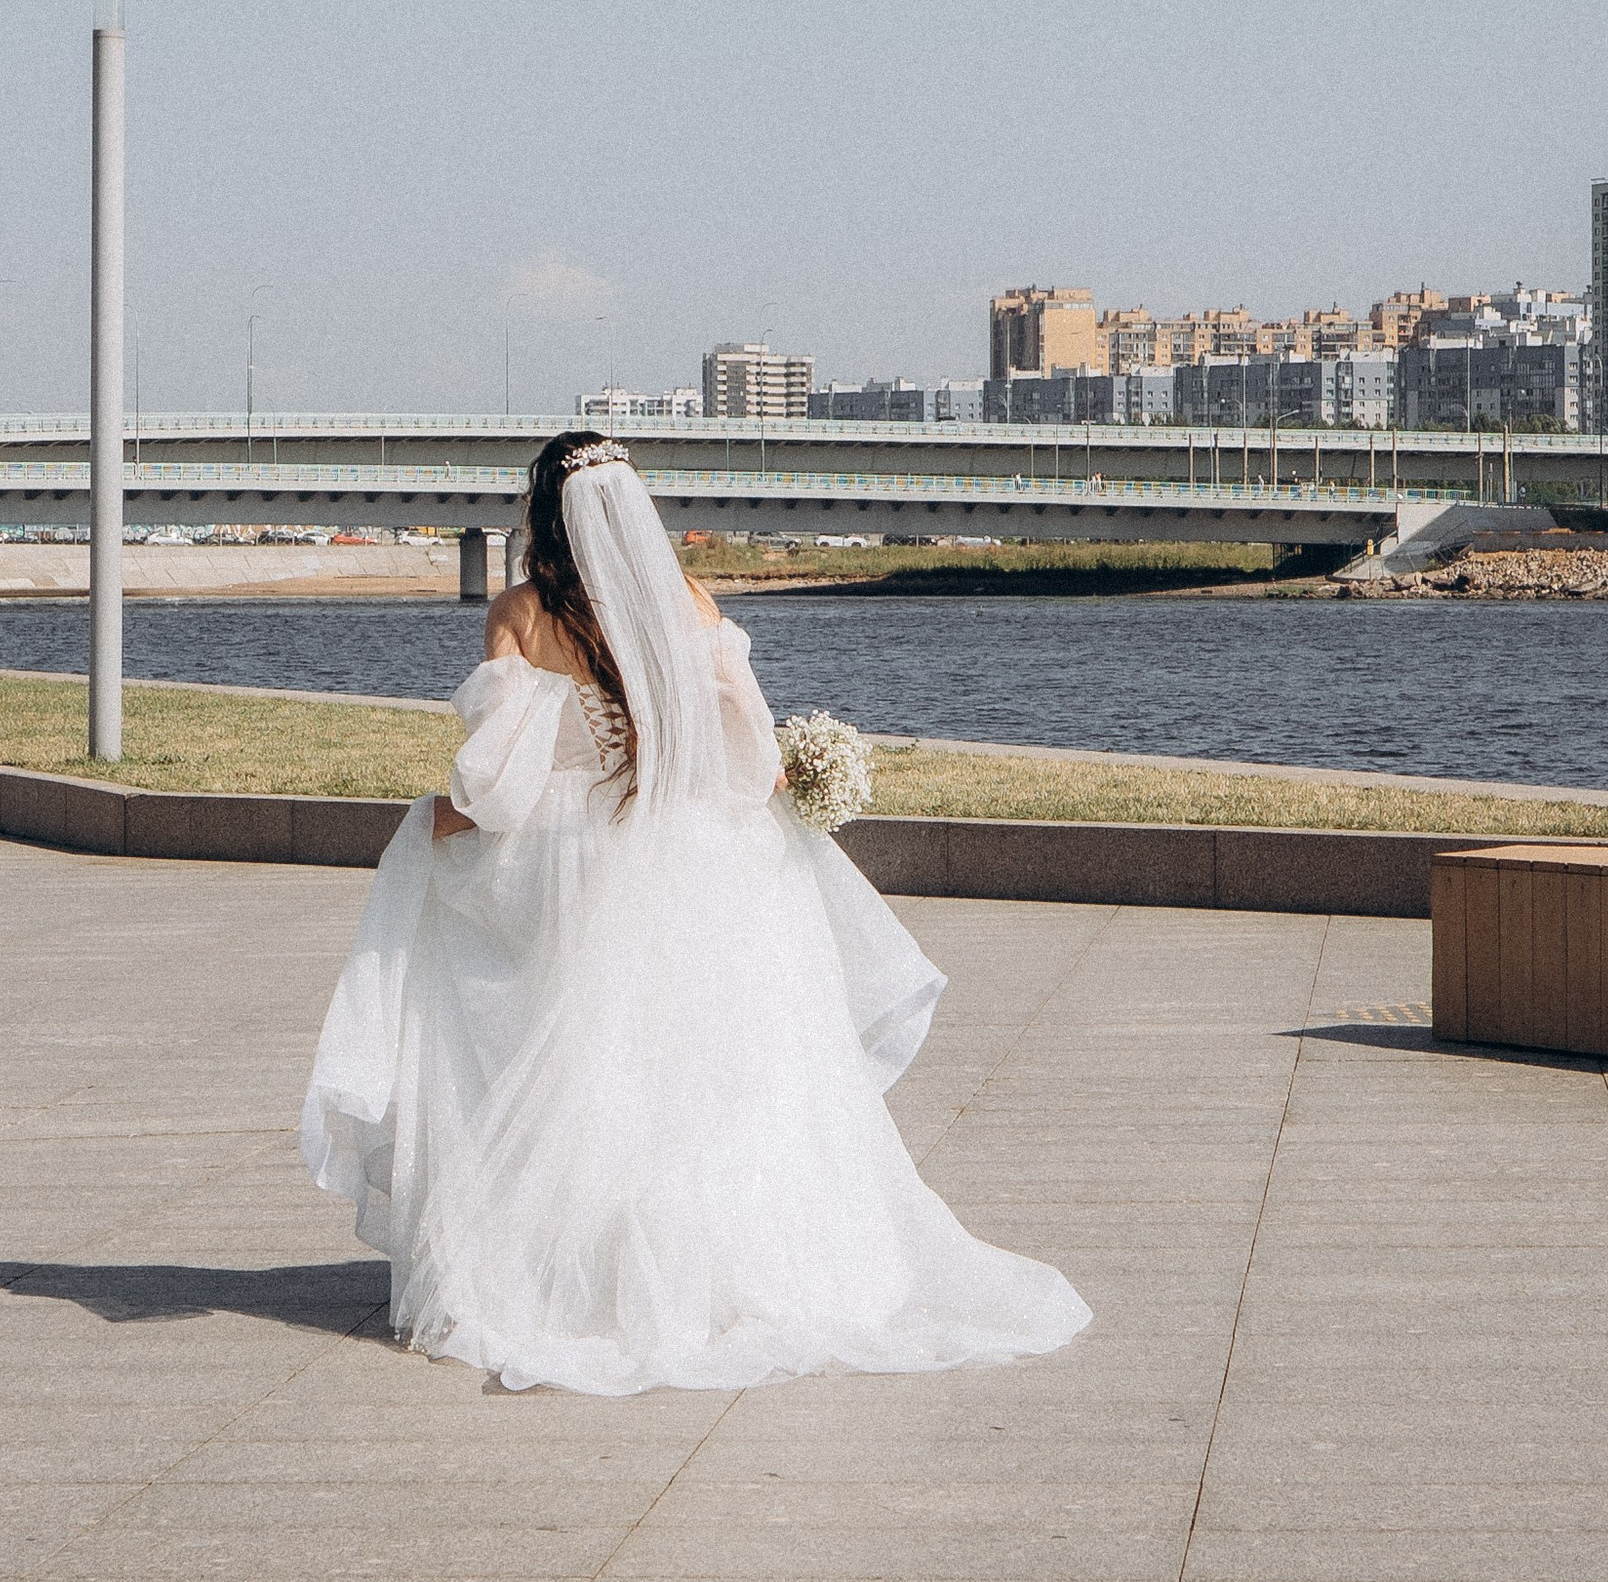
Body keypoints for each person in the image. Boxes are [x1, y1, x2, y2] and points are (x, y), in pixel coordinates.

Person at [301, 430, 1090, 1396]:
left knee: (587, 1065)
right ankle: (723, 1265)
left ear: (541, 514)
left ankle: (582, 1272)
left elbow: (498, 790)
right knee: (702, 1077)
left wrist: (428, 826)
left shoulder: (522, 613)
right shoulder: (693, 609)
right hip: (696, 860)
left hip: (571, 872)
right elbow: (751, 765)